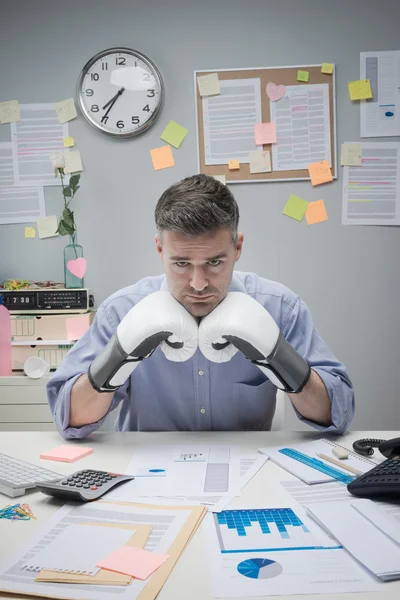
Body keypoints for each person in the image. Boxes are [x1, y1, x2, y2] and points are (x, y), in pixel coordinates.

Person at [47, 174, 354, 439]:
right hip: (146, 476)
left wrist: (279, 357)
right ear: (159, 249)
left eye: (215, 262)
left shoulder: (279, 308)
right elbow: (69, 419)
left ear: (238, 248)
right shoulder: (120, 310)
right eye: (181, 263)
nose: (197, 283)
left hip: (248, 475)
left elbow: (338, 413)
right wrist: (117, 357)